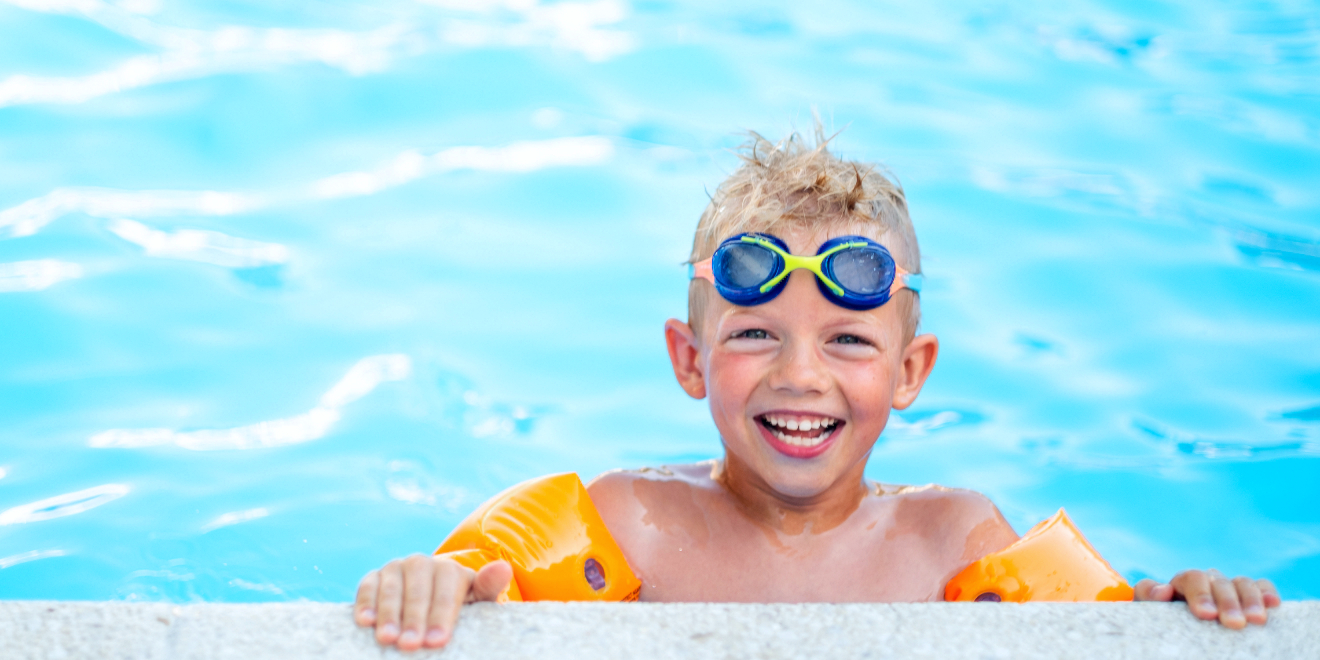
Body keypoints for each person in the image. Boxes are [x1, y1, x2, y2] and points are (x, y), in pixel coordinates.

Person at [353, 130, 1281, 651]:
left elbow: (1109, 636)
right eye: (756, 335)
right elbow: (469, 600)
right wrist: (428, 584)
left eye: (847, 341)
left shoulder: (953, 540)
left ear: (910, 373)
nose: (801, 375)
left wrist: (1183, 614)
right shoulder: (625, 521)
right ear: (689, 359)